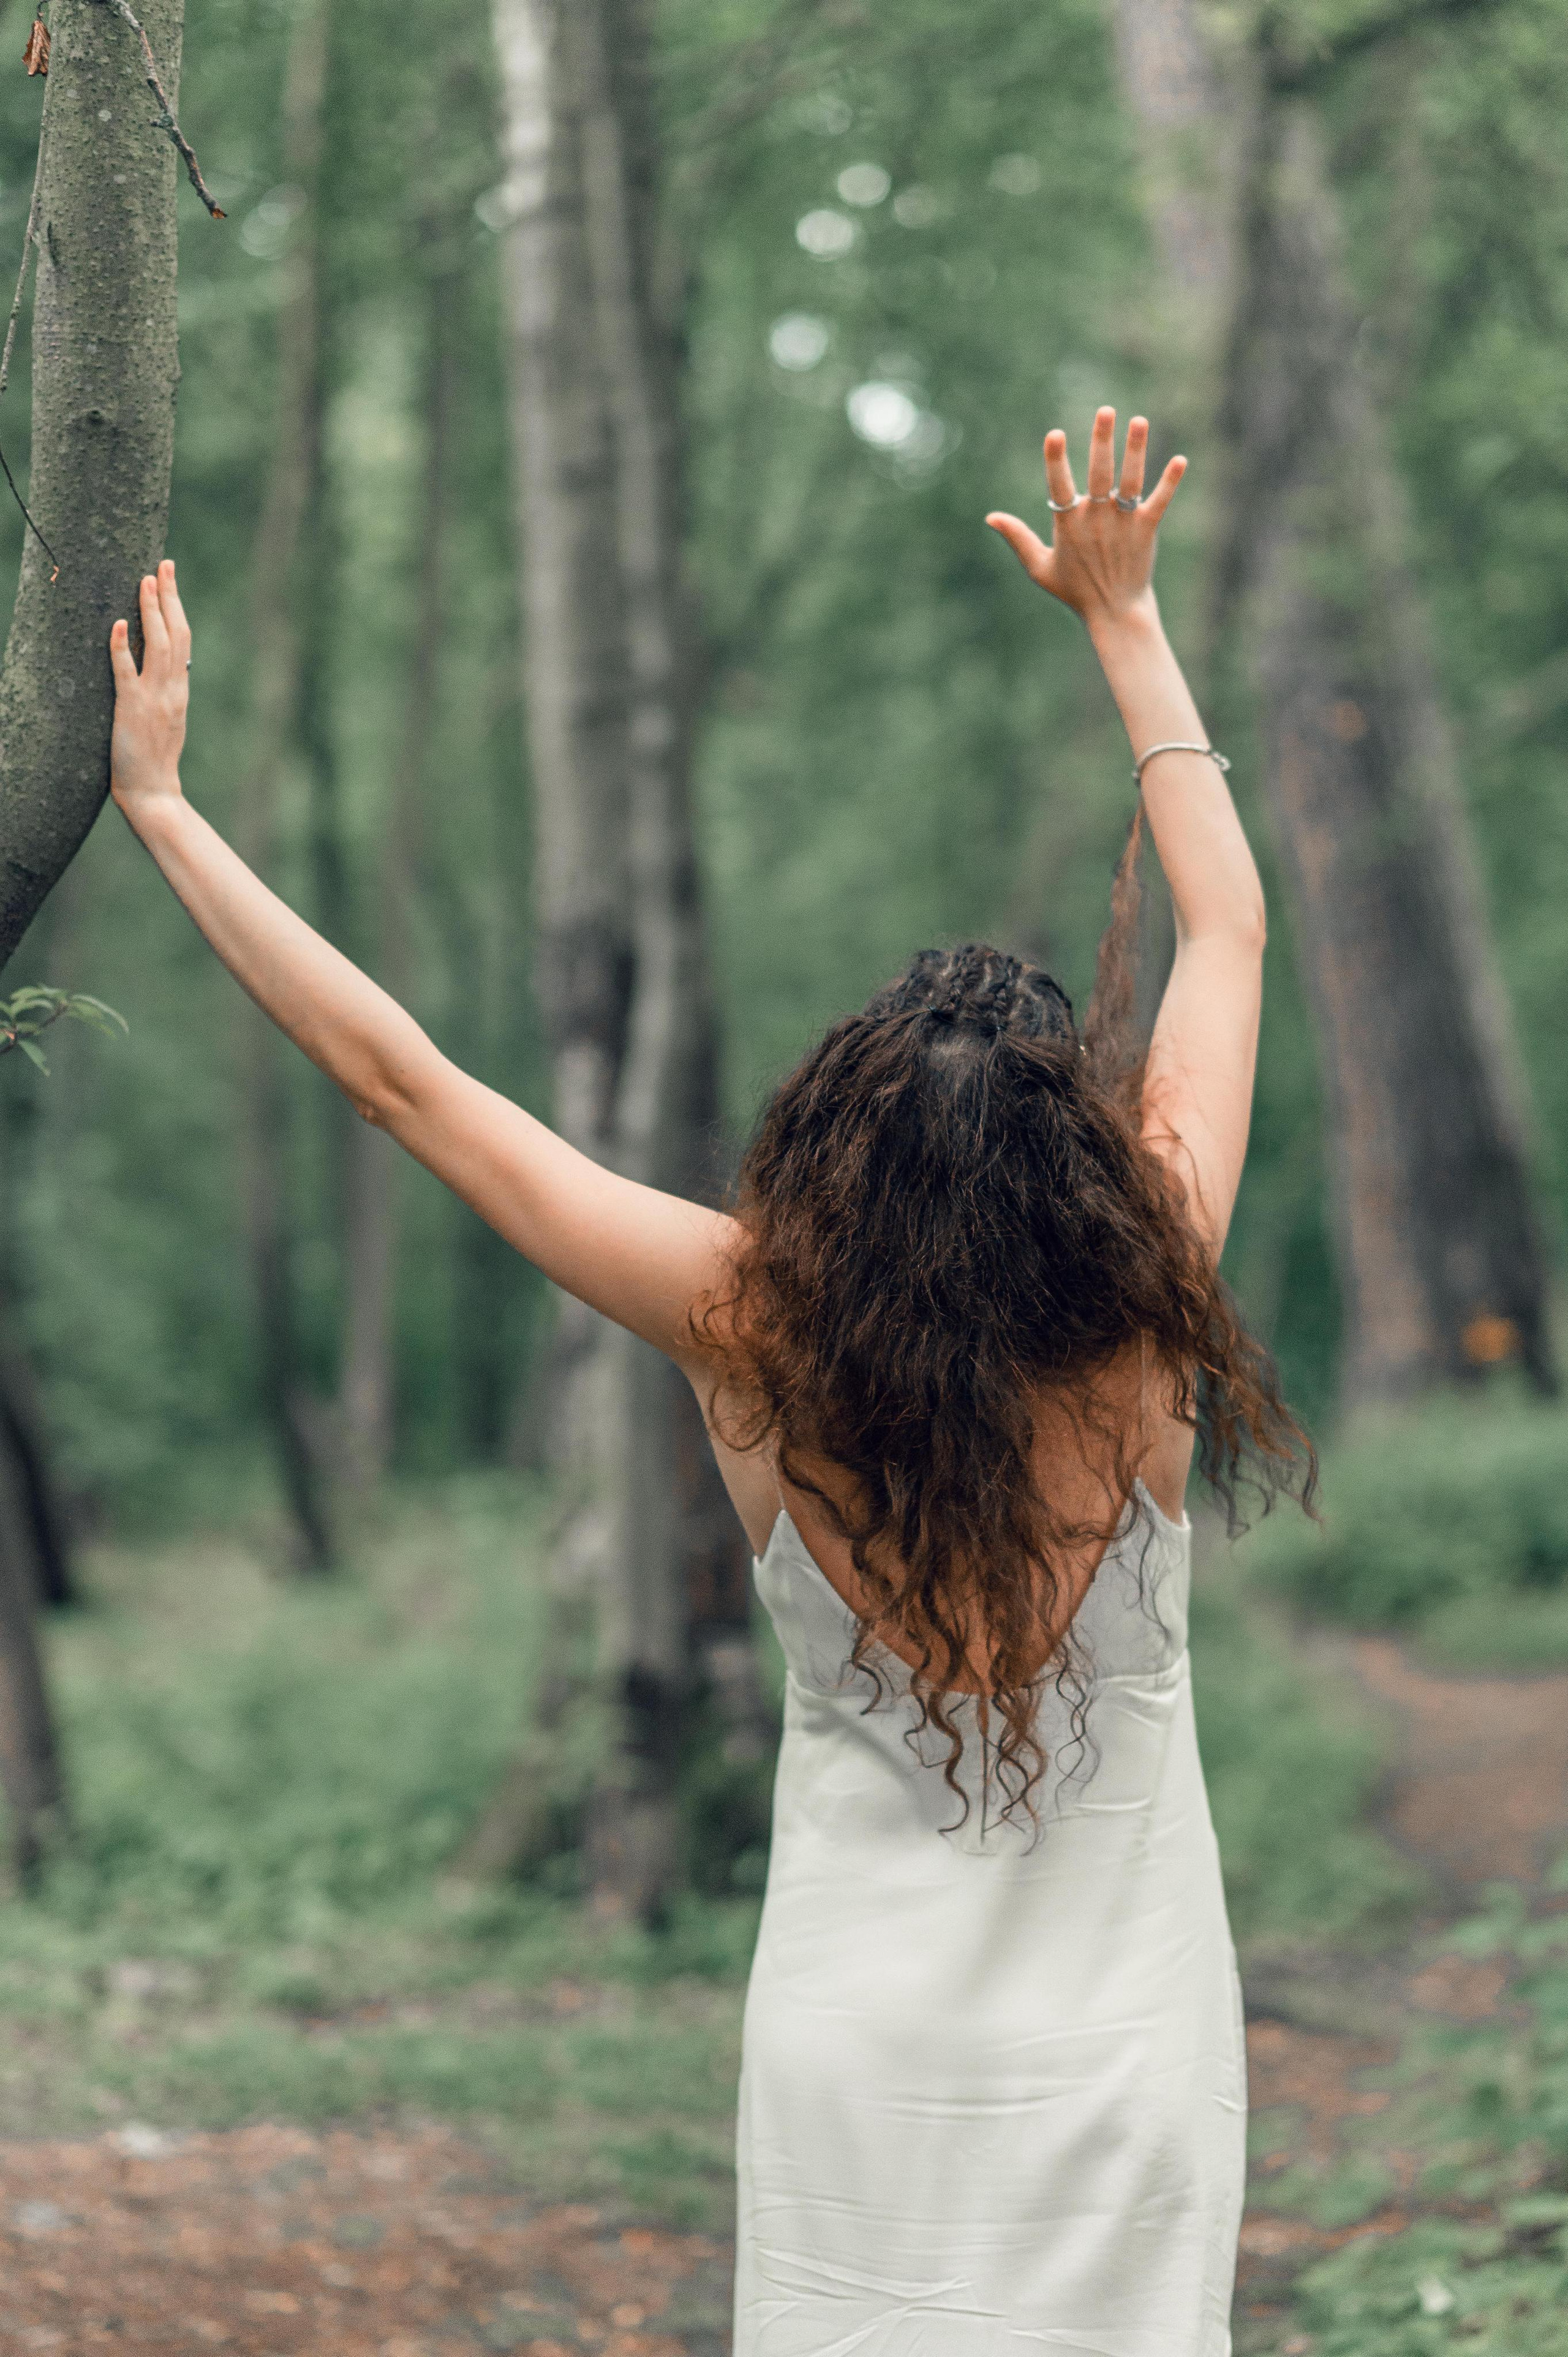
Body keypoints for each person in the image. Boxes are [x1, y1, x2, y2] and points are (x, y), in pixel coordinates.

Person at [110, 407, 1313, 2356]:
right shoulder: (1148, 1303)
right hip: (1126, 2052)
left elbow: (410, 1085)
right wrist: (1127, 617)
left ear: (840, 1141)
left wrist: (167, 812)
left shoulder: (749, 1314)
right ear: (1079, 1162)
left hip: (854, 2054)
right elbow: (1232, 928)